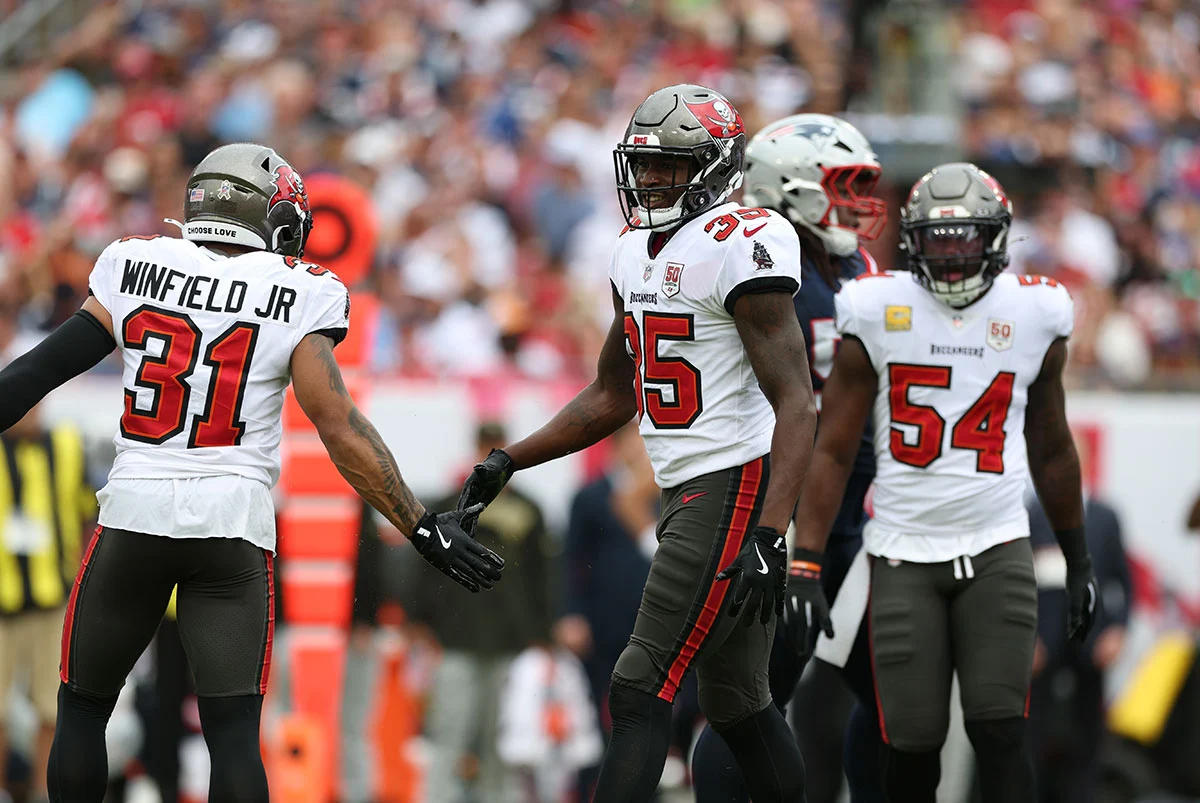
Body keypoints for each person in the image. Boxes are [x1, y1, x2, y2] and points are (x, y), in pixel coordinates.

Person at [0, 142, 503, 802]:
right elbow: (338, 425)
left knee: (83, 709)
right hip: (232, 524)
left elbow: (37, 371)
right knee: (233, 736)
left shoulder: (135, 264)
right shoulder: (301, 290)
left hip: (135, 511)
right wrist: (419, 526)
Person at [455, 84, 819, 803]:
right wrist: (508, 459)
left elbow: (796, 402)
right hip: (686, 485)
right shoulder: (630, 252)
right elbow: (612, 393)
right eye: (644, 164)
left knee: (637, 683)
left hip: (731, 481)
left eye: (670, 165)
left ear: (715, 167)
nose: (650, 179)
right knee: (737, 704)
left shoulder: (742, 242)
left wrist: (772, 532)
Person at [791, 162, 1099, 803]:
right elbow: (834, 448)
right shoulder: (878, 307)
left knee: (999, 730)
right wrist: (806, 561)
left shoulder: (1035, 311)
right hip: (902, 551)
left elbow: (1051, 446)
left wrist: (1079, 560)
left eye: (966, 239)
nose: (953, 256)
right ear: (913, 242)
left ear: (997, 239)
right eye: (938, 239)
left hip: (996, 546)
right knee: (911, 744)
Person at [690, 113, 887, 803]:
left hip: (853, 522)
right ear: (790, 186)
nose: (860, 202)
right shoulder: (759, 266)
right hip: (779, 511)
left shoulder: (859, 269)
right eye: (844, 185)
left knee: (897, 701)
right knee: (752, 701)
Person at [409, 421, 554, 803]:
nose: (489, 451)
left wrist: (543, 634)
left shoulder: (529, 510)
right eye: (484, 444)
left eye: (496, 445)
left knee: (501, 740)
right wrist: (420, 623)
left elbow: (542, 576)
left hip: (510, 641)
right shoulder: (448, 504)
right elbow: (425, 571)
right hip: (455, 639)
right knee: (449, 733)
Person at [0, 391, 94, 803]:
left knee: (52, 708)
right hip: (1, 606)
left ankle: (43, 793)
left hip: (54, 601)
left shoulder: (66, 446)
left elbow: (89, 512)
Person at [1026, 431, 1130, 803]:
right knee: (1032, 733)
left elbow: (1122, 581)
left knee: (1088, 733)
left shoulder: (1105, 517)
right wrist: (1027, 639)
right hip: (1043, 645)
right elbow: (1018, 582)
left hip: (1091, 642)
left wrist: (1117, 630)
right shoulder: (1032, 514)